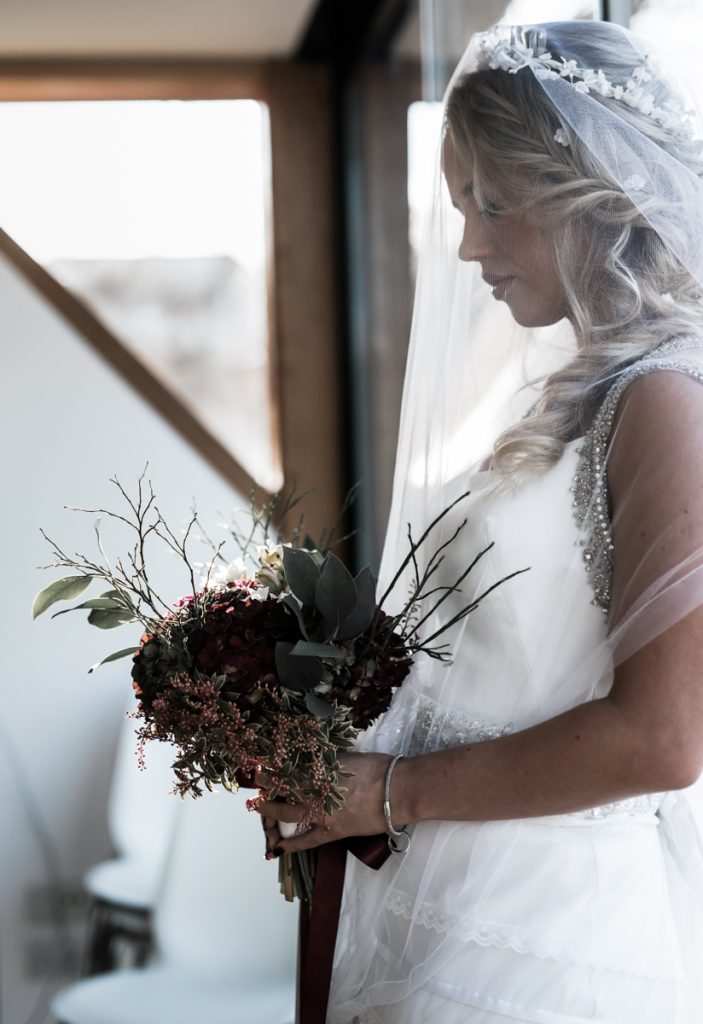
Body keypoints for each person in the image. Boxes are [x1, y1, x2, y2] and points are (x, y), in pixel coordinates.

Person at [260, 19, 703, 1022]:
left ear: (584, 189)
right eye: (462, 205)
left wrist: (381, 790)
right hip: (442, 897)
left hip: (553, 936)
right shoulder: (563, 400)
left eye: (492, 204)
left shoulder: (667, 400)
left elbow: (664, 738)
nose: (467, 245)